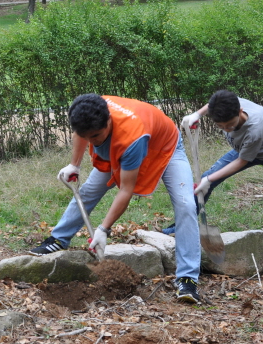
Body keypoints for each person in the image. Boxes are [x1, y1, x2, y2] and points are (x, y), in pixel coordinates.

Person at [29, 94, 203, 303]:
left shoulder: (132, 137)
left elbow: (125, 189)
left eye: (96, 136)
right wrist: (74, 164)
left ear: (109, 120)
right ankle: (59, 238)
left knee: (185, 205)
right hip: (124, 141)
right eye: (88, 137)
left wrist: (103, 230)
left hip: (165, 146)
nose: (93, 141)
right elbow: (81, 133)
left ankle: (187, 278)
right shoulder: (89, 110)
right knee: (88, 190)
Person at [165, 90, 263, 278]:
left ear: (240, 111)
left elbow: (242, 161)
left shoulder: (256, 126)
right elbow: (211, 106)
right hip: (246, 149)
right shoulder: (229, 104)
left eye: (231, 125)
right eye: (221, 126)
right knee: (205, 179)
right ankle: (180, 225)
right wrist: (197, 114)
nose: (227, 129)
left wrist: (209, 180)